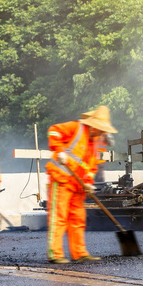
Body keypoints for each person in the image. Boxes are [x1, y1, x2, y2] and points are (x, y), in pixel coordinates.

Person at [46, 105, 116, 264]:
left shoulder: (95, 142)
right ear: (92, 125)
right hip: (62, 179)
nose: (100, 132)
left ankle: (79, 252)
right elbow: (53, 131)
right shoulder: (74, 128)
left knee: (78, 218)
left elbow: (90, 167)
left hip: (78, 186)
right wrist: (60, 151)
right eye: (99, 128)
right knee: (59, 217)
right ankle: (55, 253)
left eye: (102, 130)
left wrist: (88, 183)